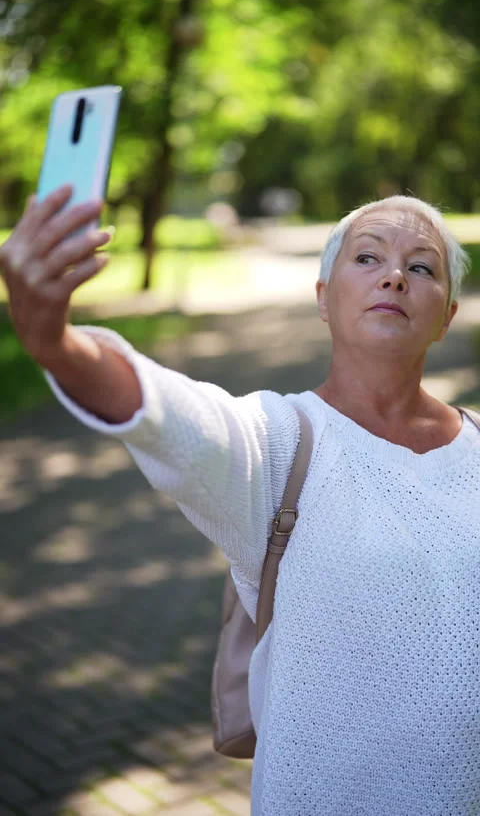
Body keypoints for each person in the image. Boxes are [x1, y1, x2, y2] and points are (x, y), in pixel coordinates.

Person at [2, 184, 479, 816]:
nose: (394, 276)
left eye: (421, 267)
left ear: (446, 316)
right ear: (323, 299)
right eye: (367, 258)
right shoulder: (278, 440)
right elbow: (171, 414)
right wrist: (57, 344)